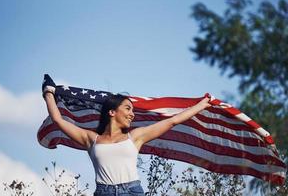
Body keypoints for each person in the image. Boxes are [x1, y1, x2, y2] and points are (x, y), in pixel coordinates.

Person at [42, 74, 211, 196]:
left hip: (132, 191)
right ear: (112, 112)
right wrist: (49, 93)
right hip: (103, 192)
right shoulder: (90, 139)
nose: (132, 114)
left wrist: (201, 105)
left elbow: (171, 121)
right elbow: (58, 119)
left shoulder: (136, 137)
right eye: (128, 109)